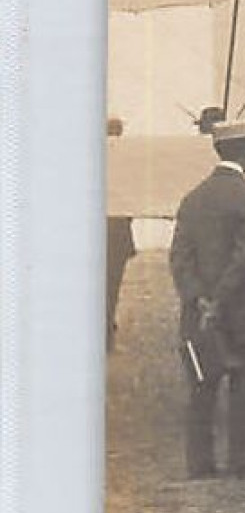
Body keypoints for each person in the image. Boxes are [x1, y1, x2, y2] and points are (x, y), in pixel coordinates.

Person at [169, 120, 245, 479]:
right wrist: (220, 301)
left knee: (200, 389)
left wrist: (199, 300)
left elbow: (179, 257)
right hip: (239, 312)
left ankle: (200, 465)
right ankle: (241, 463)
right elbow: (242, 259)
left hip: (198, 315)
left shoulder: (192, 199)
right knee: (243, 389)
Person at [106, 118, 137, 352]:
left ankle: (105, 323)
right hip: (117, 235)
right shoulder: (126, 162)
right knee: (112, 282)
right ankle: (106, 325)